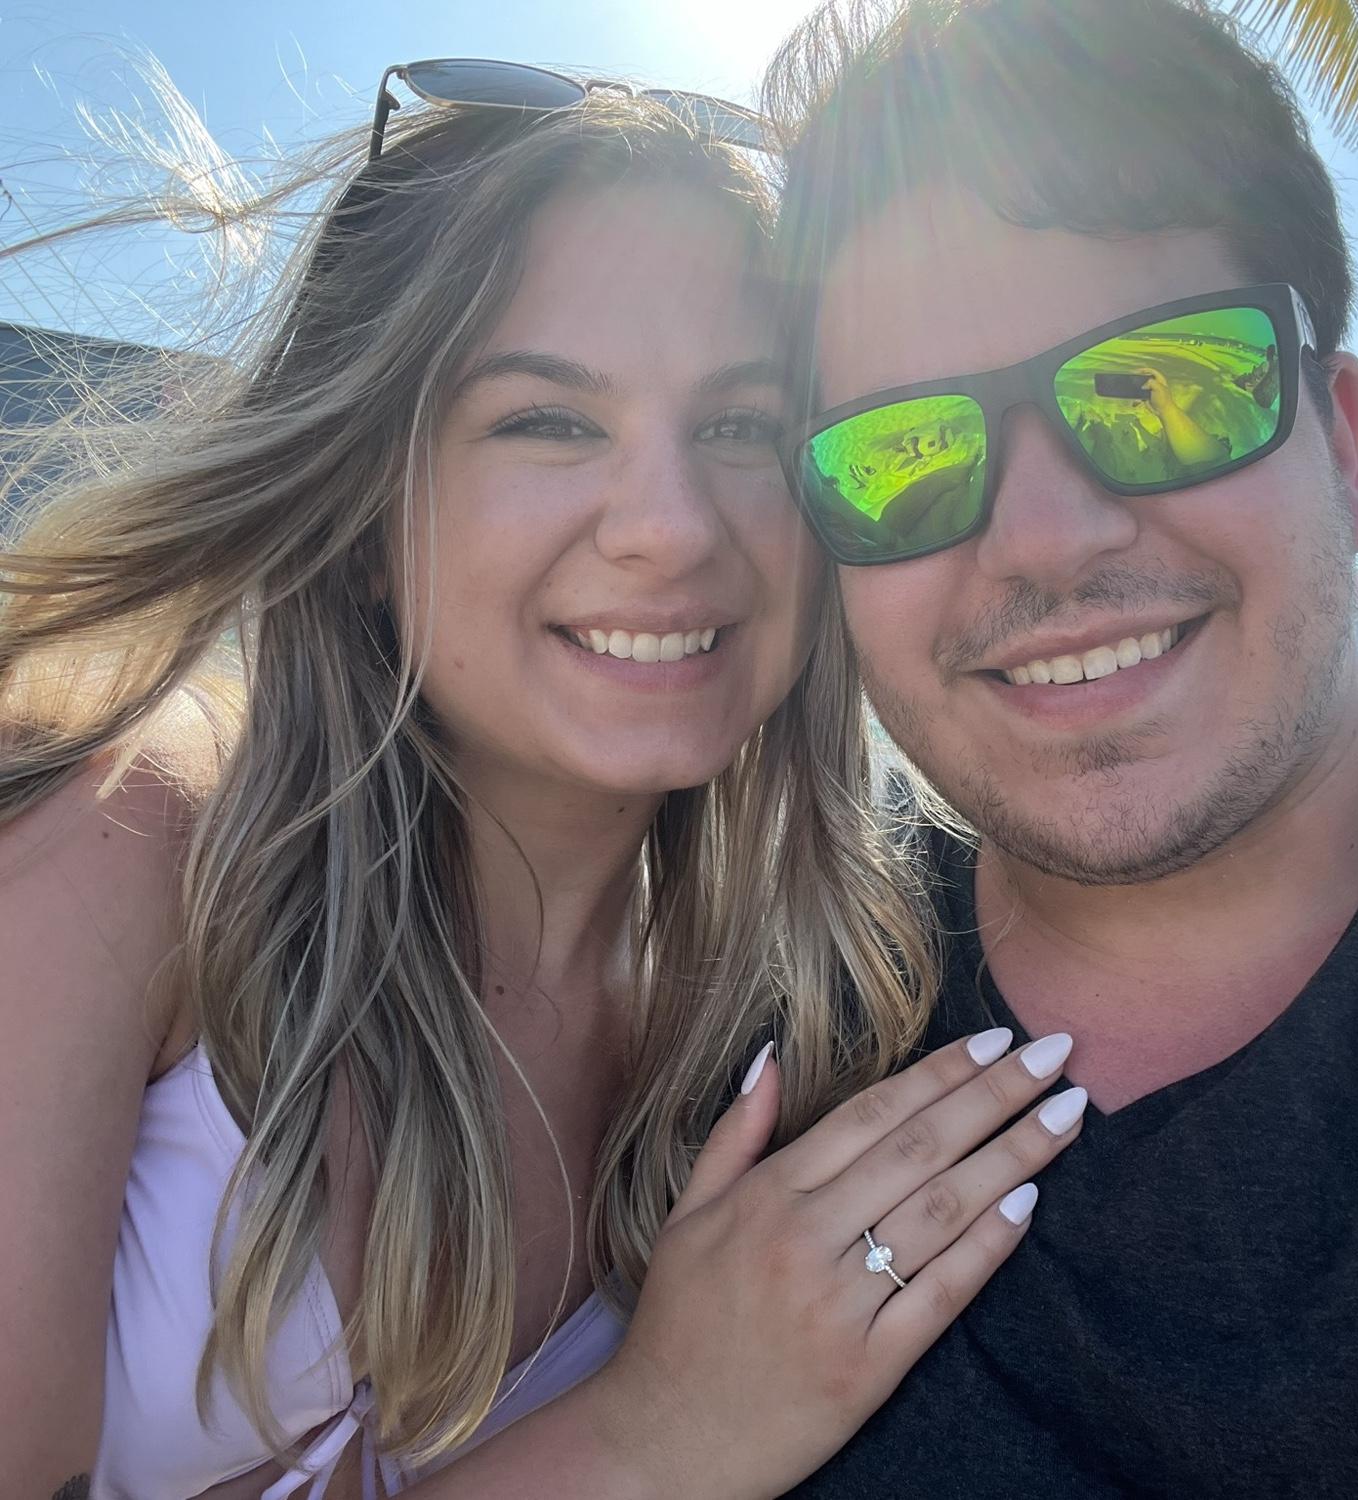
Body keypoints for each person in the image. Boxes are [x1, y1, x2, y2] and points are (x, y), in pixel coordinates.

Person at [0, 76, 1087, 1499]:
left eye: (745, 429)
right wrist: (652, 1436)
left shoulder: (790, 1018)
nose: (671, 529)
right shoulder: (130, 842)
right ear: (368, 511)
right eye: (548, 423)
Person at [765, 0, 1358, 1494]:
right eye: (905, 455)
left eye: (1165, 387)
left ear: (1344, 449)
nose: (1042, 538)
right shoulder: (760, 1003)